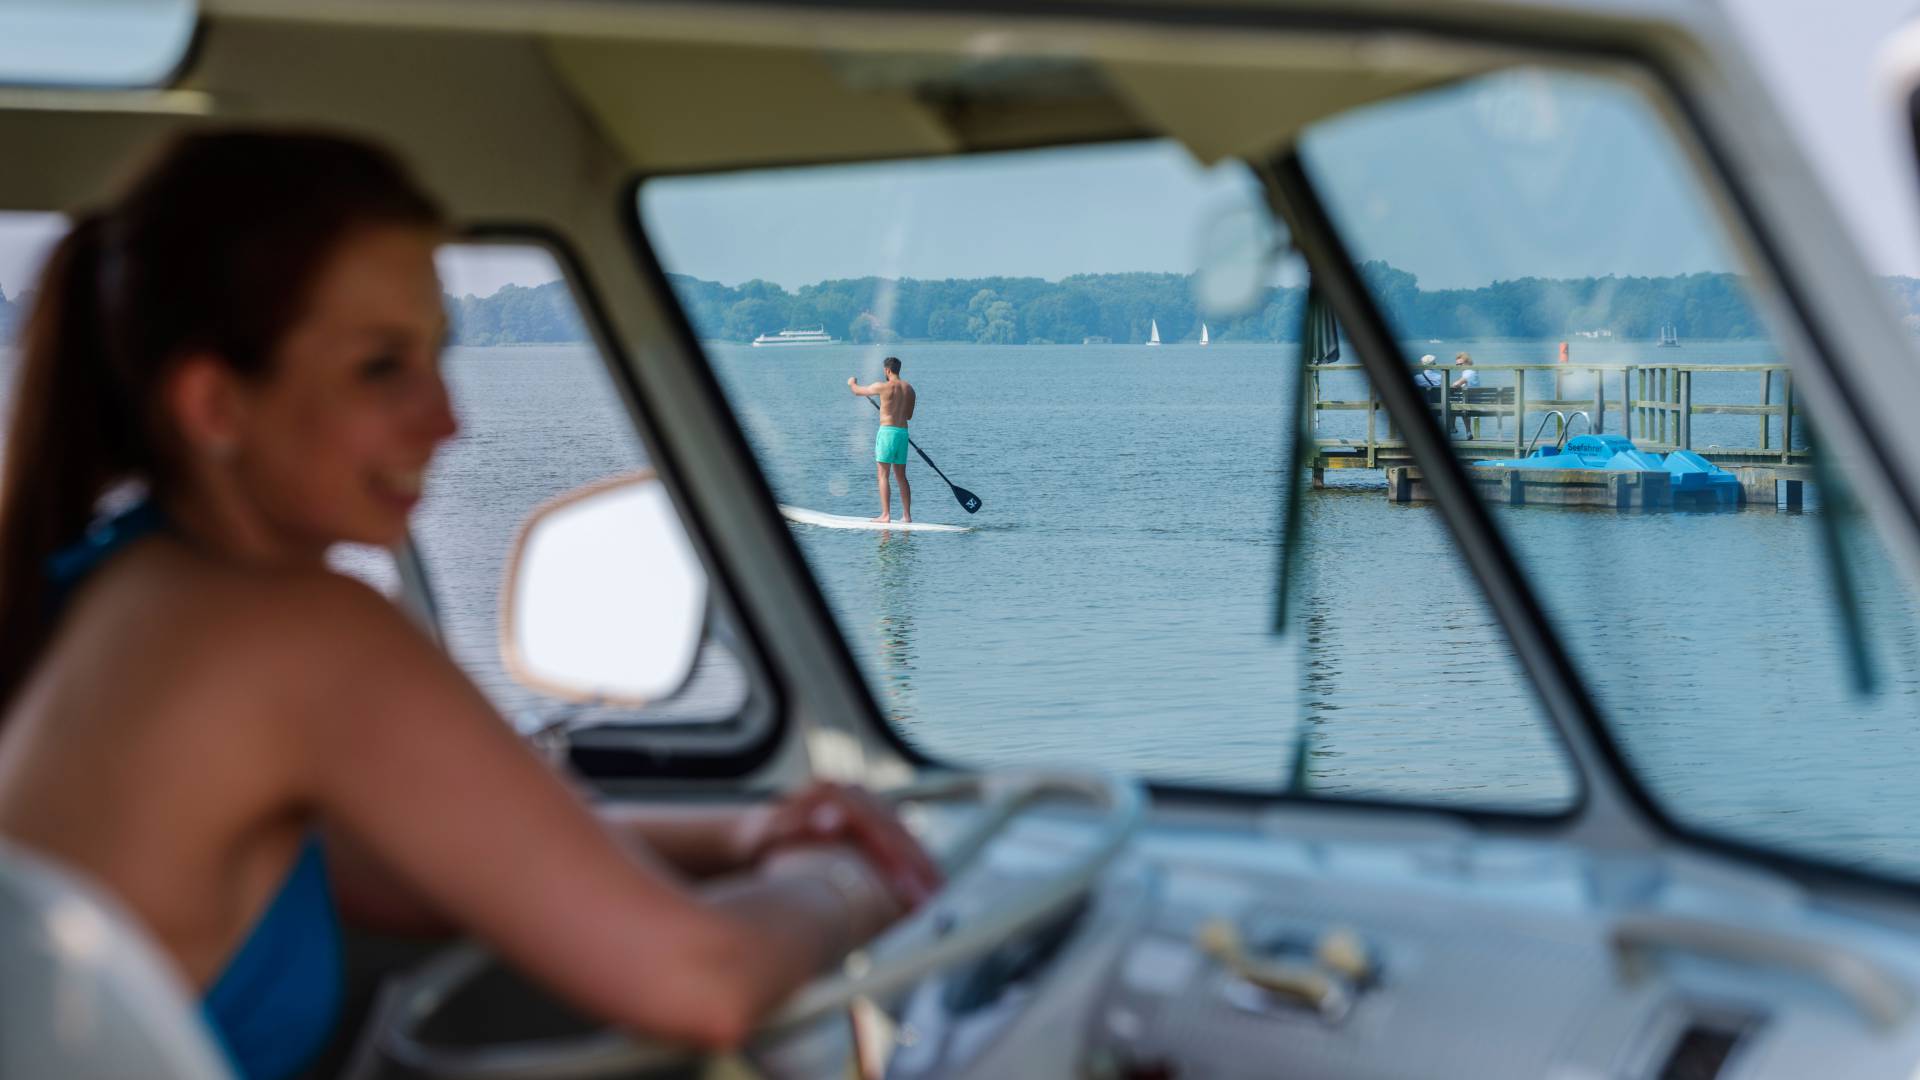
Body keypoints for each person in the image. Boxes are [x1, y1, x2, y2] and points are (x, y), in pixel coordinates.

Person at [0, 131, 939, 1080]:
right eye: (381, 368)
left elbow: (389, 862)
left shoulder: (113, 583)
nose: (448, 419)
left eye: (436, 356)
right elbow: (700, 980)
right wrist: (856, 883)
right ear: (214, 406)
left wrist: (747, 832)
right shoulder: (289, 629)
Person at [848, 356, 917, 523]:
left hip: (887, 433)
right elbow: (908, 416)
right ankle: (907, 516)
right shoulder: (910, 389)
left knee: (883, 475)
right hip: (902, 433)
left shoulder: (882, 386)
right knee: (901, 476)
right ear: (898, 369)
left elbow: (857, 391)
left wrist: (852, 382)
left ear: (887, 370)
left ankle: (885, 515)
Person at [1450, 351, 1479, 435]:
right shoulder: (1474, 371)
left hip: (1471, 403)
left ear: (1467, 362)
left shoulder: (1468, 372)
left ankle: (1452, 427)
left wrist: (1455, 384)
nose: (1458, 366)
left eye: (1460, 364)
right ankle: (1467, 432)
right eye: (1457, 365)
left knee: (1451, 405)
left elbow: (1456, 384)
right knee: (1461, 406)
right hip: (1475, 401)